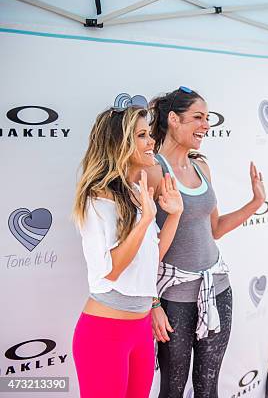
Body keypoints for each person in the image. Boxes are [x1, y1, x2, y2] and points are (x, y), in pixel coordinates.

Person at [146, 86, 266, 398]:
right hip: (174, 298)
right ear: (173, 119)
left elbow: (214, 229)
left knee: (207, 388)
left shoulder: (202, 166)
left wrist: (255, 203)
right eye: (198, 117)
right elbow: (142, 246)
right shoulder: (153, 170)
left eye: (208, 118)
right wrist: (153, 302)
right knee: (171, 390)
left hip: (218, 290)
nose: (206, 125)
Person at [72, 97, 183, 398]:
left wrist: (174, 214)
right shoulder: (98, 197)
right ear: (119, 144)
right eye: (142, 135)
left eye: (149, 133)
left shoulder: (136, 193)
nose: (151, 141)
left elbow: (151, 259)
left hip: (140, 331)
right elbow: (111, 270)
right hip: (105, 333)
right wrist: (146, 219)